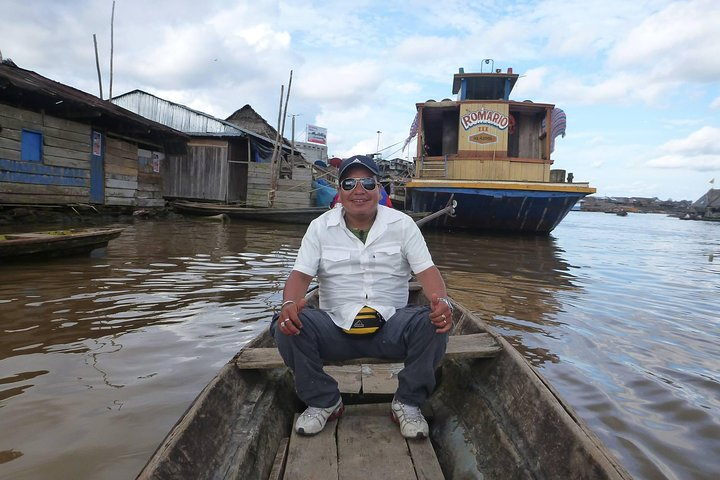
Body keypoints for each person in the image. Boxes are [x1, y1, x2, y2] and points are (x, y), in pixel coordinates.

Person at [272, 154, 453, 439]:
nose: (359, 190)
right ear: (339, 190)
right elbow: (300, 276)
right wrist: (289, 304)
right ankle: (324, 401)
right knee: (285, 323)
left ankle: (407, 402)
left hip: (392, 329)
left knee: (434, 322)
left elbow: (427, 272)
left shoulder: (403, 225)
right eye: (349, 183)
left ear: (379, 189)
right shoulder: (319, 227)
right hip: (334, 330)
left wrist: (442, 302)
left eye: (368, 183)